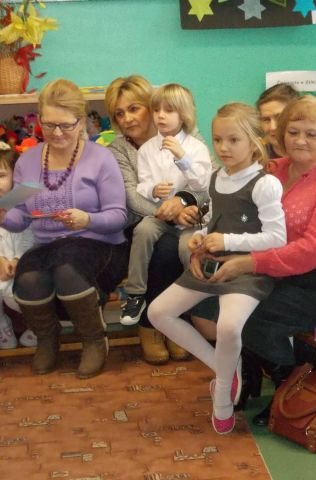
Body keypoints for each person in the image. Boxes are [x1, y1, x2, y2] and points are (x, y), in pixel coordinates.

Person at [201, 95, 316, 426]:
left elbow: (312, 250)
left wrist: (248, 263)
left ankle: (289, 383)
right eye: (293, 131)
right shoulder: (274, 168)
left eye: (311, 134)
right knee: (214, 298)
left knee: (250, 313)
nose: (300, 140)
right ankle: (249, 375)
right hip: (281, 272)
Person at [148, 102, 286, 435]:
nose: (223, 148)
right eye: (218, 140)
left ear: (254, 141)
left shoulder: (265, 183)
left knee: (228, 326)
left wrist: (227, 239)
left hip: (247, 271)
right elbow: (213, 219)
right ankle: (226, 369)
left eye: (233, 140)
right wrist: (201, 237)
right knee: (158, 312)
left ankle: (222, 395)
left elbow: (277, 237)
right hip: (212, 264)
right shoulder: (216, 177)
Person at [0, 78, 129, 379]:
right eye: (49, 125)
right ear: (39, 120)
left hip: (101, 243)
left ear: (81, 121)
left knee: (67, 271)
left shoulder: (100, 158)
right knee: (28, 277)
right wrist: (4, 214)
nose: (57, 133)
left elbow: (118, 216)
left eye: (66, 125)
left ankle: (94, 339)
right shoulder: (29, 162)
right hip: (48, 245)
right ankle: (48, 339)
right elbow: (20, 216)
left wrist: (87, 220)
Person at [104, 75, 197, 364]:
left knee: (178, 245)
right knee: (162, 246)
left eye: (134, 109)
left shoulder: (186, 136)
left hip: (187, 217)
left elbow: (206, 178)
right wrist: (169, 212)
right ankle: (151, 325)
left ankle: (173, 319)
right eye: (119, 113)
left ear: (152, 107)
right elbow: (132, 197)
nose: (127, 119)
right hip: (140, 222)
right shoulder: (117, 149)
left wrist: (183, 202)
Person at [119, 83, 212, 326]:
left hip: (190, 217)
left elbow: (203, 184)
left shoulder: (195, 147)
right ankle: (135, 294)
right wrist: (152, 189)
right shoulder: (147, 149)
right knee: (143, 230)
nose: (161, 115)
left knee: (187, 247)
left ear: (184, 114)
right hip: (160, 215)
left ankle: (195, 297)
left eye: (169, 110)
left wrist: (183, 158)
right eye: (156, 110)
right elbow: (142, 186)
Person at [0, 141, 35, 349]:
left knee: (19, 295)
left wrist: (17, 259)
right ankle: (2, 325)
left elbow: (31, 235)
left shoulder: (23, 202)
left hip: (23, 263)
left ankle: (38, 326)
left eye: (1, 176)